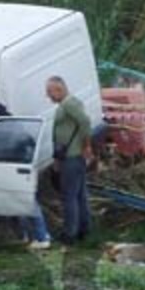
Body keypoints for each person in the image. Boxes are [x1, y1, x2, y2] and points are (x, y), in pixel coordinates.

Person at [46, 76, 92, 244]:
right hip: (71, 156)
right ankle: (83, 228)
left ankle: (69, 234)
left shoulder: (68, 104)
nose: (48, 96)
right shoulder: (70, 103)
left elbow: (85, 122)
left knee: (69, 196)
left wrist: (87, 145)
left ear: (59, 90)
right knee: (79, 195)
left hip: (72, 157)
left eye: (49, 92)